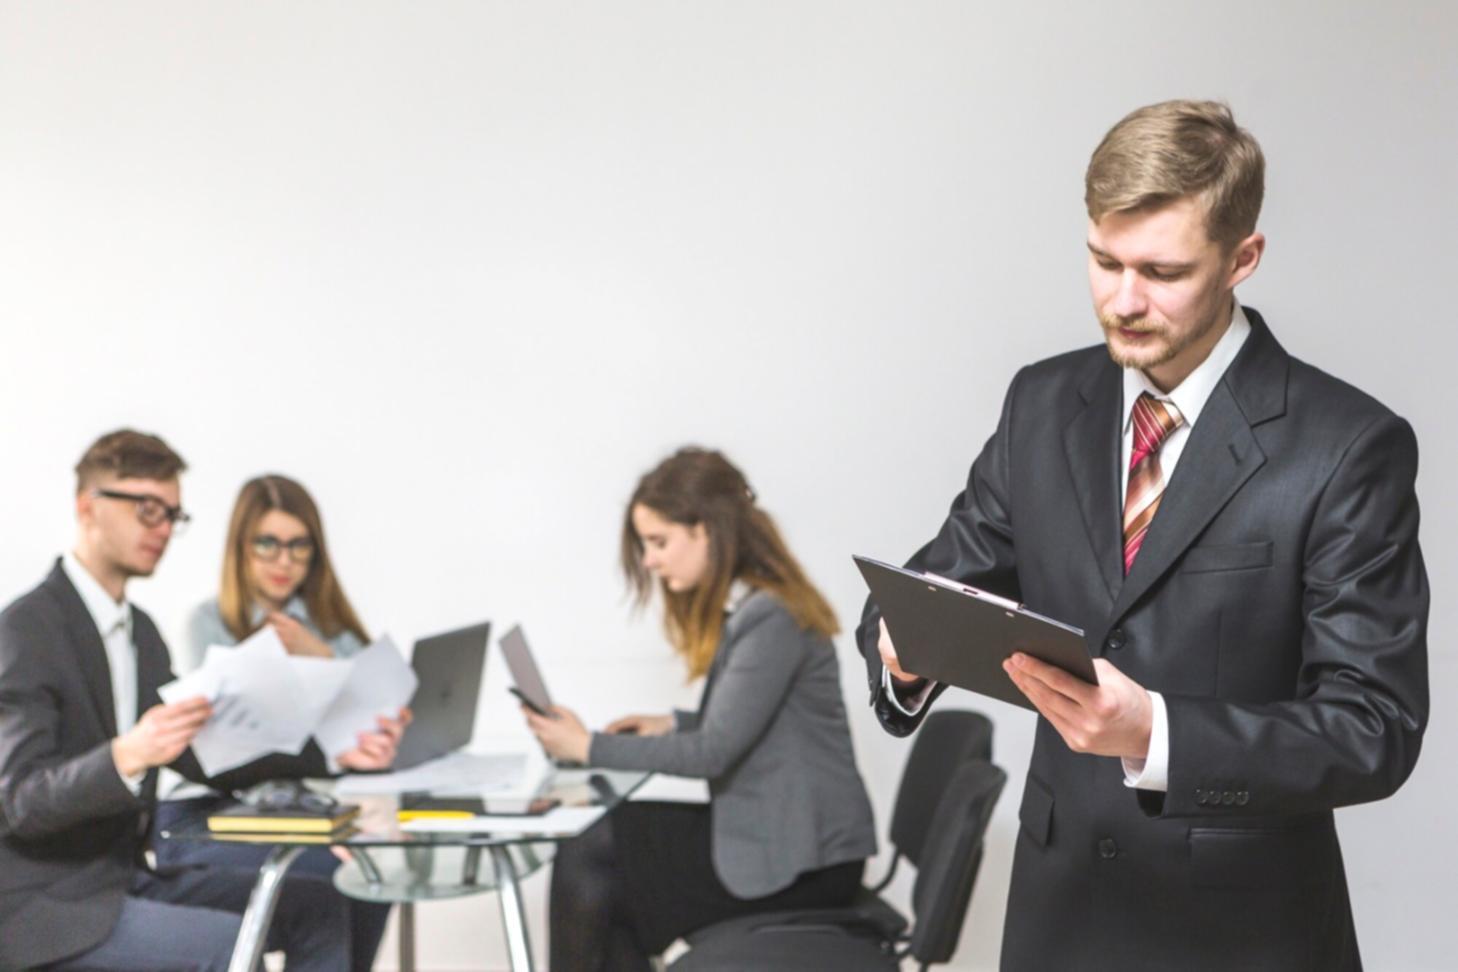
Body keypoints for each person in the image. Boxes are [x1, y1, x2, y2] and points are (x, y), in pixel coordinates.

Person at [857, 99, 1429, 971]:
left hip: (1244, 935)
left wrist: (1157, 733)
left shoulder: (1348, 446)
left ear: (1243, 259)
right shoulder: (1040, 405)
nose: (1123, 301)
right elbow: (940, 582)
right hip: (1058, 916)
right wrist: (902, 651)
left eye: (1161, 272)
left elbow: (1372, 729)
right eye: (1102, 261)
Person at [0, 431, 400, 972]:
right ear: (87, 507)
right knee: (232, 945)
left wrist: (333, 758)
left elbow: (202, 757)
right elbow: (20, 800)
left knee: (320, 906)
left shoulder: (139, 633)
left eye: (171, 514)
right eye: (147, 510)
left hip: (126, 880)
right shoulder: (25, 631)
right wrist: (126, 755)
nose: (163, 529)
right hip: (49, 907)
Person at [524, 447, 877, 972]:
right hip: (782, 836)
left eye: (658, 542)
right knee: (600, 859)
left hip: (802, 861)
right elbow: (751, 723)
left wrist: (587, 746)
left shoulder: (771, 619)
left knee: (594, 850)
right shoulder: (762, 609)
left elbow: (714, 753)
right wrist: (670, 725)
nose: (649, 560)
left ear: (707, 530)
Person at [154, 474, 401, 972]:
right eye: (267, 544)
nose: (284, 561)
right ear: (240, 548)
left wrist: (324, 657)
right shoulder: (207, 622)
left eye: (298, 546)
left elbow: (374, 731)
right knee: (336, 873)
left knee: (375, 871)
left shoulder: (328, 626)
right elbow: (225, 753)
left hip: (303, 808)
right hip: (212, 811)